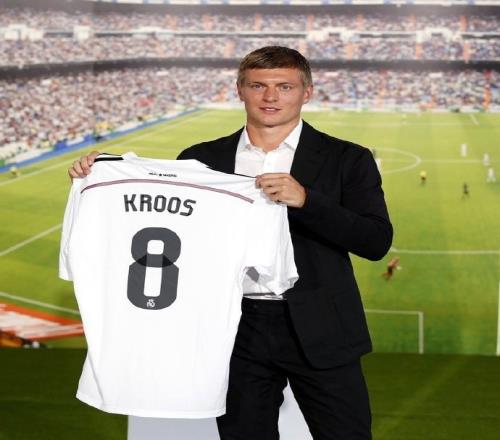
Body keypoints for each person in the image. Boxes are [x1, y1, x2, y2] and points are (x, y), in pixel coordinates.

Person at [68, 46, 393, 440]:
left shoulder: (348, 158)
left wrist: (307, 200)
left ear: (306, 92)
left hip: (321, 326)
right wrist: (99, 175)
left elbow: (375, 241)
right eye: (257, 86)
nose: (270, 97)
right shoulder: (201, 159)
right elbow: (161, 216)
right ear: (240, 90)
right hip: (232, 328)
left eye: (284, 87)